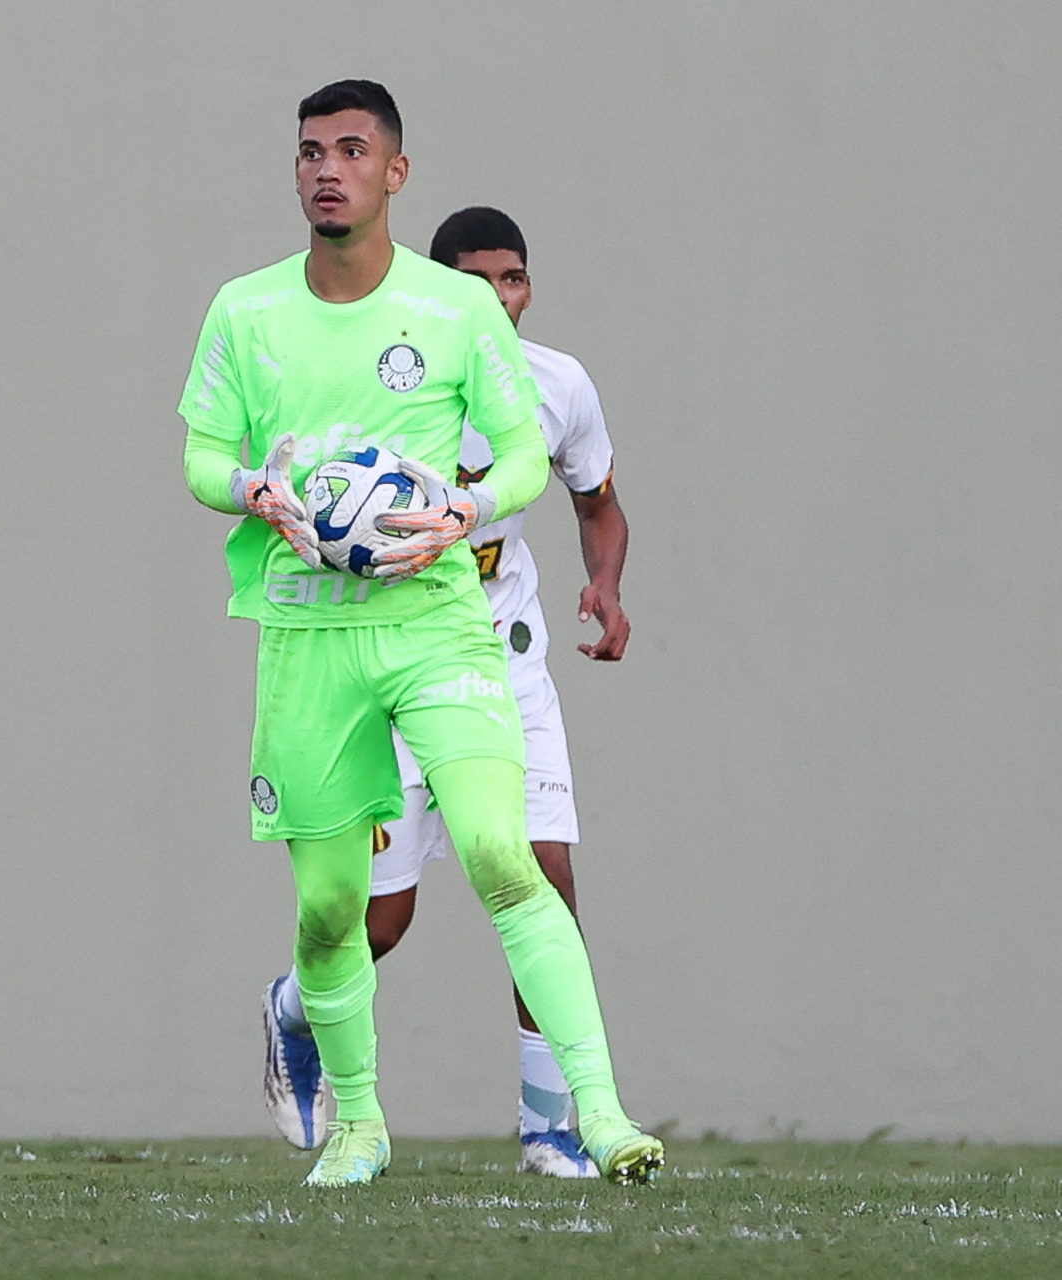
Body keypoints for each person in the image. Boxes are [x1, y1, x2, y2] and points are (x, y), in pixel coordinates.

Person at [179, 79, 662, 1188]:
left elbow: (530, 458)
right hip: (309, 639)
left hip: (445, 630)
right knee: (339, 912)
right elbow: (201, 455)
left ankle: (592, 1114)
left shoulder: (457, 316)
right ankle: (358, 1124)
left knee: (510, 857)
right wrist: (250, 487)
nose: (328, 168)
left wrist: (469, 507)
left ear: (394, 171)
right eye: (311, 151)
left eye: (352, 150)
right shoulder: (244, 311)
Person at [263, 207, 632, 1179]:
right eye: (475, 282)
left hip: (500, 660)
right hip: (393, 660)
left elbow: (597, 503)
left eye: (512, 278)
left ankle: (549, 1125)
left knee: (540, 874)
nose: (498, 299)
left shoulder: (556, 385)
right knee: (377, 923)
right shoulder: (385, 380)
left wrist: (605, 584)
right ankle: (295, 1008)